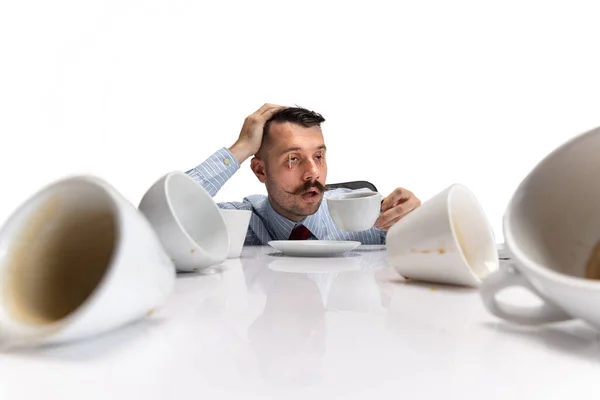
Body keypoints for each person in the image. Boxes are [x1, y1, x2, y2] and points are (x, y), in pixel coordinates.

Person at [186, 103, 421, 244]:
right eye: (293, 159)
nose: (313, 173)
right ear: (260, 170)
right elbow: (164, 214)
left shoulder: (364, 216)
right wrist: (241, 149)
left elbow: (435, 249)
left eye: (318, 157)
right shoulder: (241, 223)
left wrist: (418, 222)